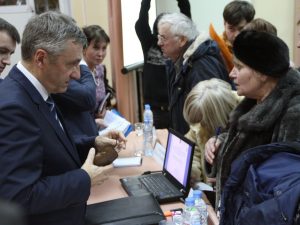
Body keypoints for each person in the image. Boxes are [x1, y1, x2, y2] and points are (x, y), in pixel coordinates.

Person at [0, 11, 125, 225]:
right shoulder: (13, 106)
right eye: (71, 64)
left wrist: (92, 143)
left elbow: (46, 149)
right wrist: (84, 178)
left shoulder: (39, 89)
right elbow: (19, 197)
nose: (77, 74)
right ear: (41, 58)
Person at [204, 30, 300, 210]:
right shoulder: (253, 100)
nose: (231, 74)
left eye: (239, 67)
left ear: (263, 73)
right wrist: (218, 144)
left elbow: (284, 188)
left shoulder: (293, 114)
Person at [157, 12, 230, 135]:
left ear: (182, 40)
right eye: (159, 37)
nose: (159, 43)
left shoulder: (202, 66)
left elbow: (209, 119)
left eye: (163, 38)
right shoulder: (175, 62)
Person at [135, 0, 191, 129]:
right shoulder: (149, 43)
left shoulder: (179, 45)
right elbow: (141, 23)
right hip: (155, 110)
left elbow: (186, 17)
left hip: (178, 106)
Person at [183, 78, 240, 185]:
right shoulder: (201, 120)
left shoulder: (247, 116)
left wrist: (226, 179)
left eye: (203, 122)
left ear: (216, 117)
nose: (199, 126)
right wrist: (191, 172)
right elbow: (193, 151)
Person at [209, 0, 255, 72]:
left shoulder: (257, 47)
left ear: (251, 24)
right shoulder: (214, 49)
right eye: (231, 28)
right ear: (224, 24)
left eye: (241, 29)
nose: (236, 35)